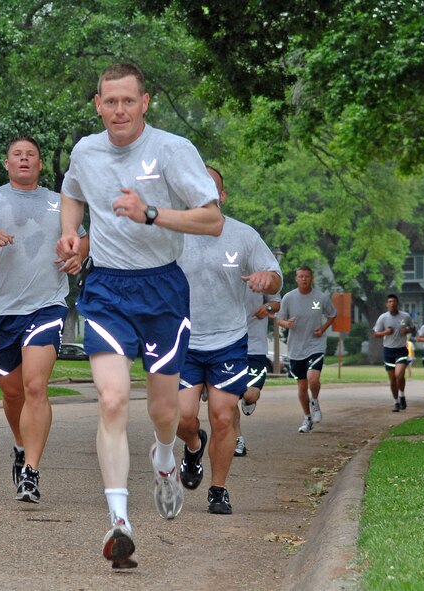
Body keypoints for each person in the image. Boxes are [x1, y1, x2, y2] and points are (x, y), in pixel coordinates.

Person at [55, 63, 225, 569]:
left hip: (163, 290)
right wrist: (70, 231)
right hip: (106, 287)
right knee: (111, 401)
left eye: (129, 101)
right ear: (98, 103)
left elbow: (212, 220)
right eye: (111, 102)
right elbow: (72, 189)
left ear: (145, 102)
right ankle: (119, 521)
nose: (119, 111)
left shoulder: (172, 150)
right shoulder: (86, 150)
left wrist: (152, 213)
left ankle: (166, 459)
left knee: (163, 412)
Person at [0, 134, 89, 504]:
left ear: (40, 165)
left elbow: (84, 241)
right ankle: (20, 445)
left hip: (47, 306)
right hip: (3, 313)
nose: (24, 159)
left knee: (36, 386)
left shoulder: (60, 204)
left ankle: (31, 471)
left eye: (31, 155)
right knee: (13, 394)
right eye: (17, 154)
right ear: (7, 163)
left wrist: (77, 256)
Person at [175, 165, 282, 515]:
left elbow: (275, 276)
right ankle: (193, 447)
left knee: (222, 417)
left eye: (211, 188)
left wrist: (268, 280)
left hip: (228, 341)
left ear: (222, 196)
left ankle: (218, 489)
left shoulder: (243, 235)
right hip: (184, 340)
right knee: (182, 418)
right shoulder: (172, 234)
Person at [276, 267, 337, 433]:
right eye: (301, 276)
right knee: (302, 387)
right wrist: (286, 324)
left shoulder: (320, 298)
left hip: (315, 344)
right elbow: (278, 319)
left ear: (312, 278)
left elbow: (332, 314)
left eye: (307, 276)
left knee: (313, 378)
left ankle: (315, 401)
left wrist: (323, 329)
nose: (304, 279)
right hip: (296, 348)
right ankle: (307, 418)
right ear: (296, 279)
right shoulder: (289, 298)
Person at [235, 288, 281, 457]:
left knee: (250, 395)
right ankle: (237, 439)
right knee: (228, 398)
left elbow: (277, 303)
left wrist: (268, 307)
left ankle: (246, 399)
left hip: (255, 348)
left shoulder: (261, 274)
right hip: (228, 346)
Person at [372, 294, 415, 412]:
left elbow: (413, 328)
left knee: (399, 375)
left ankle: (402, 395)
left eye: (394, 301)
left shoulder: (405, 316)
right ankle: (396, 401)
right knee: (392, 379)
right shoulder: (383, 318)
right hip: (388, 350)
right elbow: (375, 334)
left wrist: (407, 330)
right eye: (389, 302)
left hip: (401, 349)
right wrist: (385, 332)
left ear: (397, 304)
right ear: (387, 304)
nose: (392, 303)